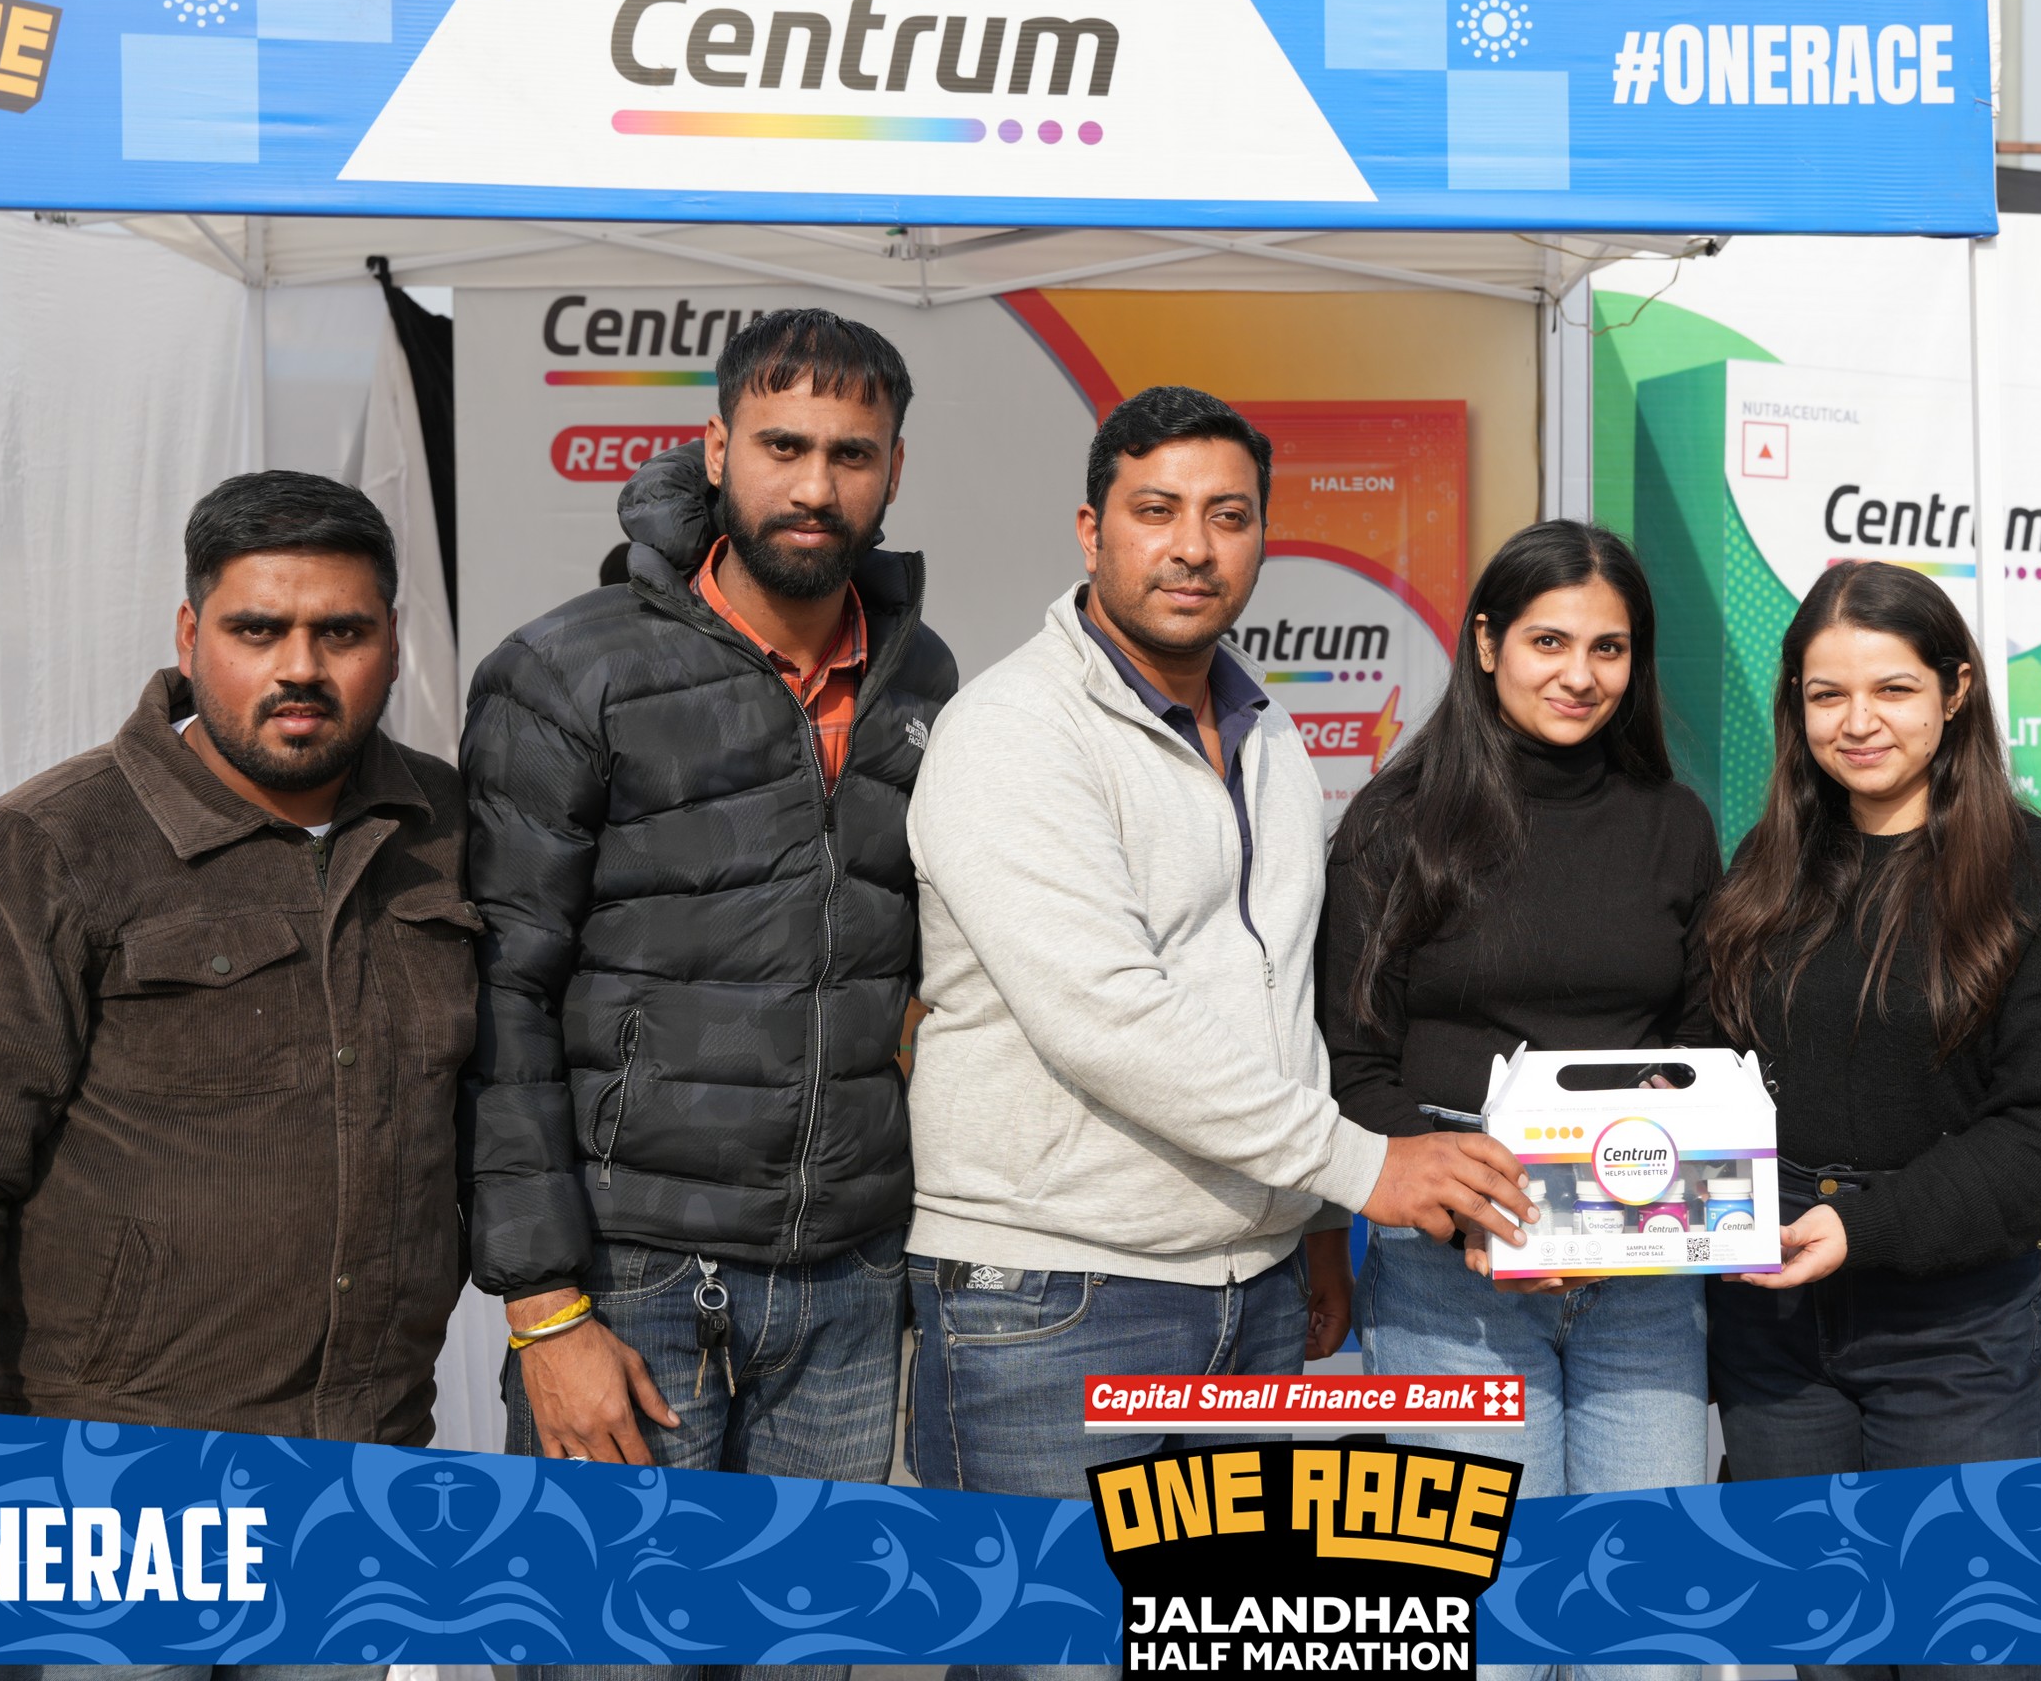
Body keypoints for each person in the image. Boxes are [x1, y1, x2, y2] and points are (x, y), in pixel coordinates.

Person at [902, 386, 1538, 1680]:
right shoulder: (1016, 731)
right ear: (1092, 530)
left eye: (1229, 516)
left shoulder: (1264, 731)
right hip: (1058, 1301)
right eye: (1157, 511)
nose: (1193, 546)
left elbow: (1280, 993)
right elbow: (1108, 1016)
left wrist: (1313, 1221)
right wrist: (1362, 1168)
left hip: (1249, 1292)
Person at [0, 472, 468, 1681]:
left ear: (394, 639)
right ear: (189, 635)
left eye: (341, 631)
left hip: (358, 1485)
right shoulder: (51, 846)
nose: (300, 667)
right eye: (258, 629)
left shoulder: (444, 830)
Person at [462, 310, 955, 1675]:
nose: (816, 485)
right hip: (631, 1280)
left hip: (848, 1282)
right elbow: (498, 1004)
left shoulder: (922, 675)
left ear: (894, 469)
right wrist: (545, 1307)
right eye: (783, 445)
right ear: (716, 448)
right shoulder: (569, 670)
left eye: (851, 453)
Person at [1694, 561, 2041, 1681]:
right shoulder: (1763, 870)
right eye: (1826, 694)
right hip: (1773, 1323)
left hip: (1956, 1330)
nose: (1858, 721)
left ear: (1956, 689)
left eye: (1892, 688)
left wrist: (1861, 1225)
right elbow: (1703, 1074)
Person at [1318, 520, 1721, 1565]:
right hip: (1451, 1258)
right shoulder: (1395, 823)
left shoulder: (1675, 823)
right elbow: (1350, 1062)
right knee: (1490, 1601)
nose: (1580, 675)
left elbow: (1705, 1035)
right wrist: (1475, 1211)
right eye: (1550, 641)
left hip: (1643, 1245)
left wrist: (1659, 1148)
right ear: (1488, 642)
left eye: (1608, 648)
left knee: (1646, 1597)